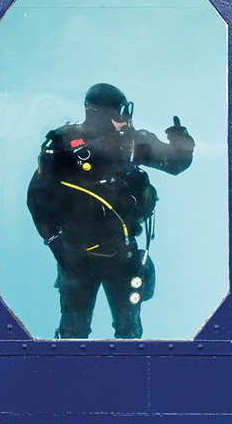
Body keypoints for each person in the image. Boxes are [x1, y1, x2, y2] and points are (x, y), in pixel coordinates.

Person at [27, 83, 195, 339]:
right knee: (73, 333)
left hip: (122, 252)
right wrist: (56, 243)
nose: (125, 120)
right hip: (76, 254)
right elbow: (38, 197)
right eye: (120, 113)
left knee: (128, 332)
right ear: (98, 113)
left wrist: (180, 140)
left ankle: (131, 378)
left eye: (126, 112)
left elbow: (174, 163)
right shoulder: (62, 144)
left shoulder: (130, 142)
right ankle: (71, 378)